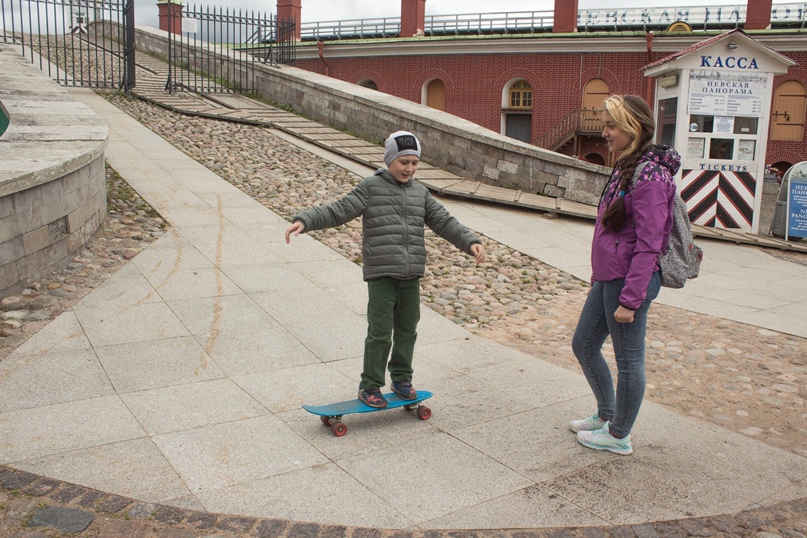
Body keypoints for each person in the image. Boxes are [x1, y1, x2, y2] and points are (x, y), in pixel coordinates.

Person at [285, 130, 486, 408]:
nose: (409, 168)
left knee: (407, 330)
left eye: (414, 163)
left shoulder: (420, 193)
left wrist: (470, 242)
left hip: (411, 274)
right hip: (381, 275)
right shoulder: (371, 187)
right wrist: (305, 221)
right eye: (403, 161)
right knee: (380, 332)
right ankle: (369, 385)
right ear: (390, 159)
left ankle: (402, 378)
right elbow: (338, 210)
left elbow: (444, 221)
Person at [570, 95, 680, 455]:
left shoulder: (651, 175)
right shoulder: (627, 166)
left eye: (611, 125)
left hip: (628, 283)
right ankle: (606, 413)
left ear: (633, 128)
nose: (604, 132)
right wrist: (599, 276)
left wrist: (630, 299)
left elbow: (649, 243)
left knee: (629, 362)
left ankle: (619, 435)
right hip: (610, 277)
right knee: (583, 345)